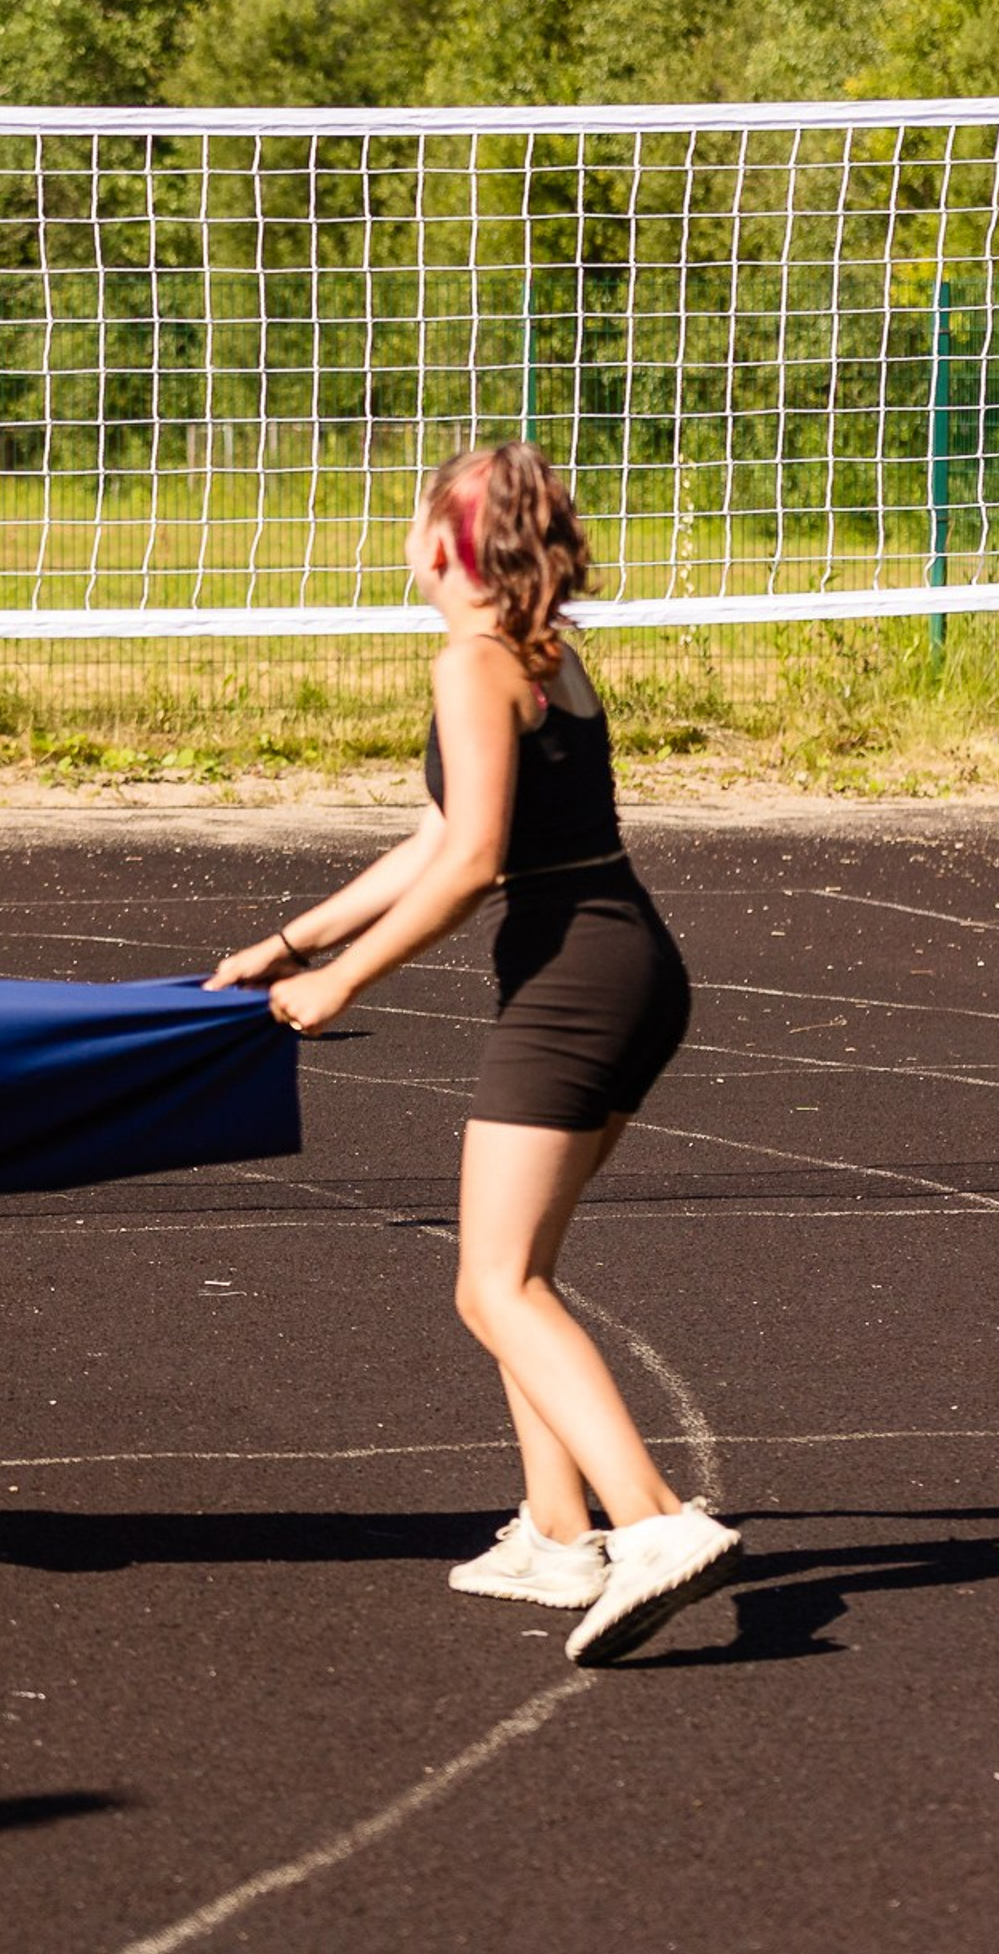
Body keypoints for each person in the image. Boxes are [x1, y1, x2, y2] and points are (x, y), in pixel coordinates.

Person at [207, 442, 739, 1668]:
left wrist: (338, 982)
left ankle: (652, 1523)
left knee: (490, 1284)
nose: (403, 542)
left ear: (447, 541)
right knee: (524, 1273)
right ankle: (559, 1535)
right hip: (630, 966)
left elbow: (468, 861)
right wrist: (283, 940)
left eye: (414, 520)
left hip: (575, 985)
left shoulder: (470, 659)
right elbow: (437, 834)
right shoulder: (543, 652)